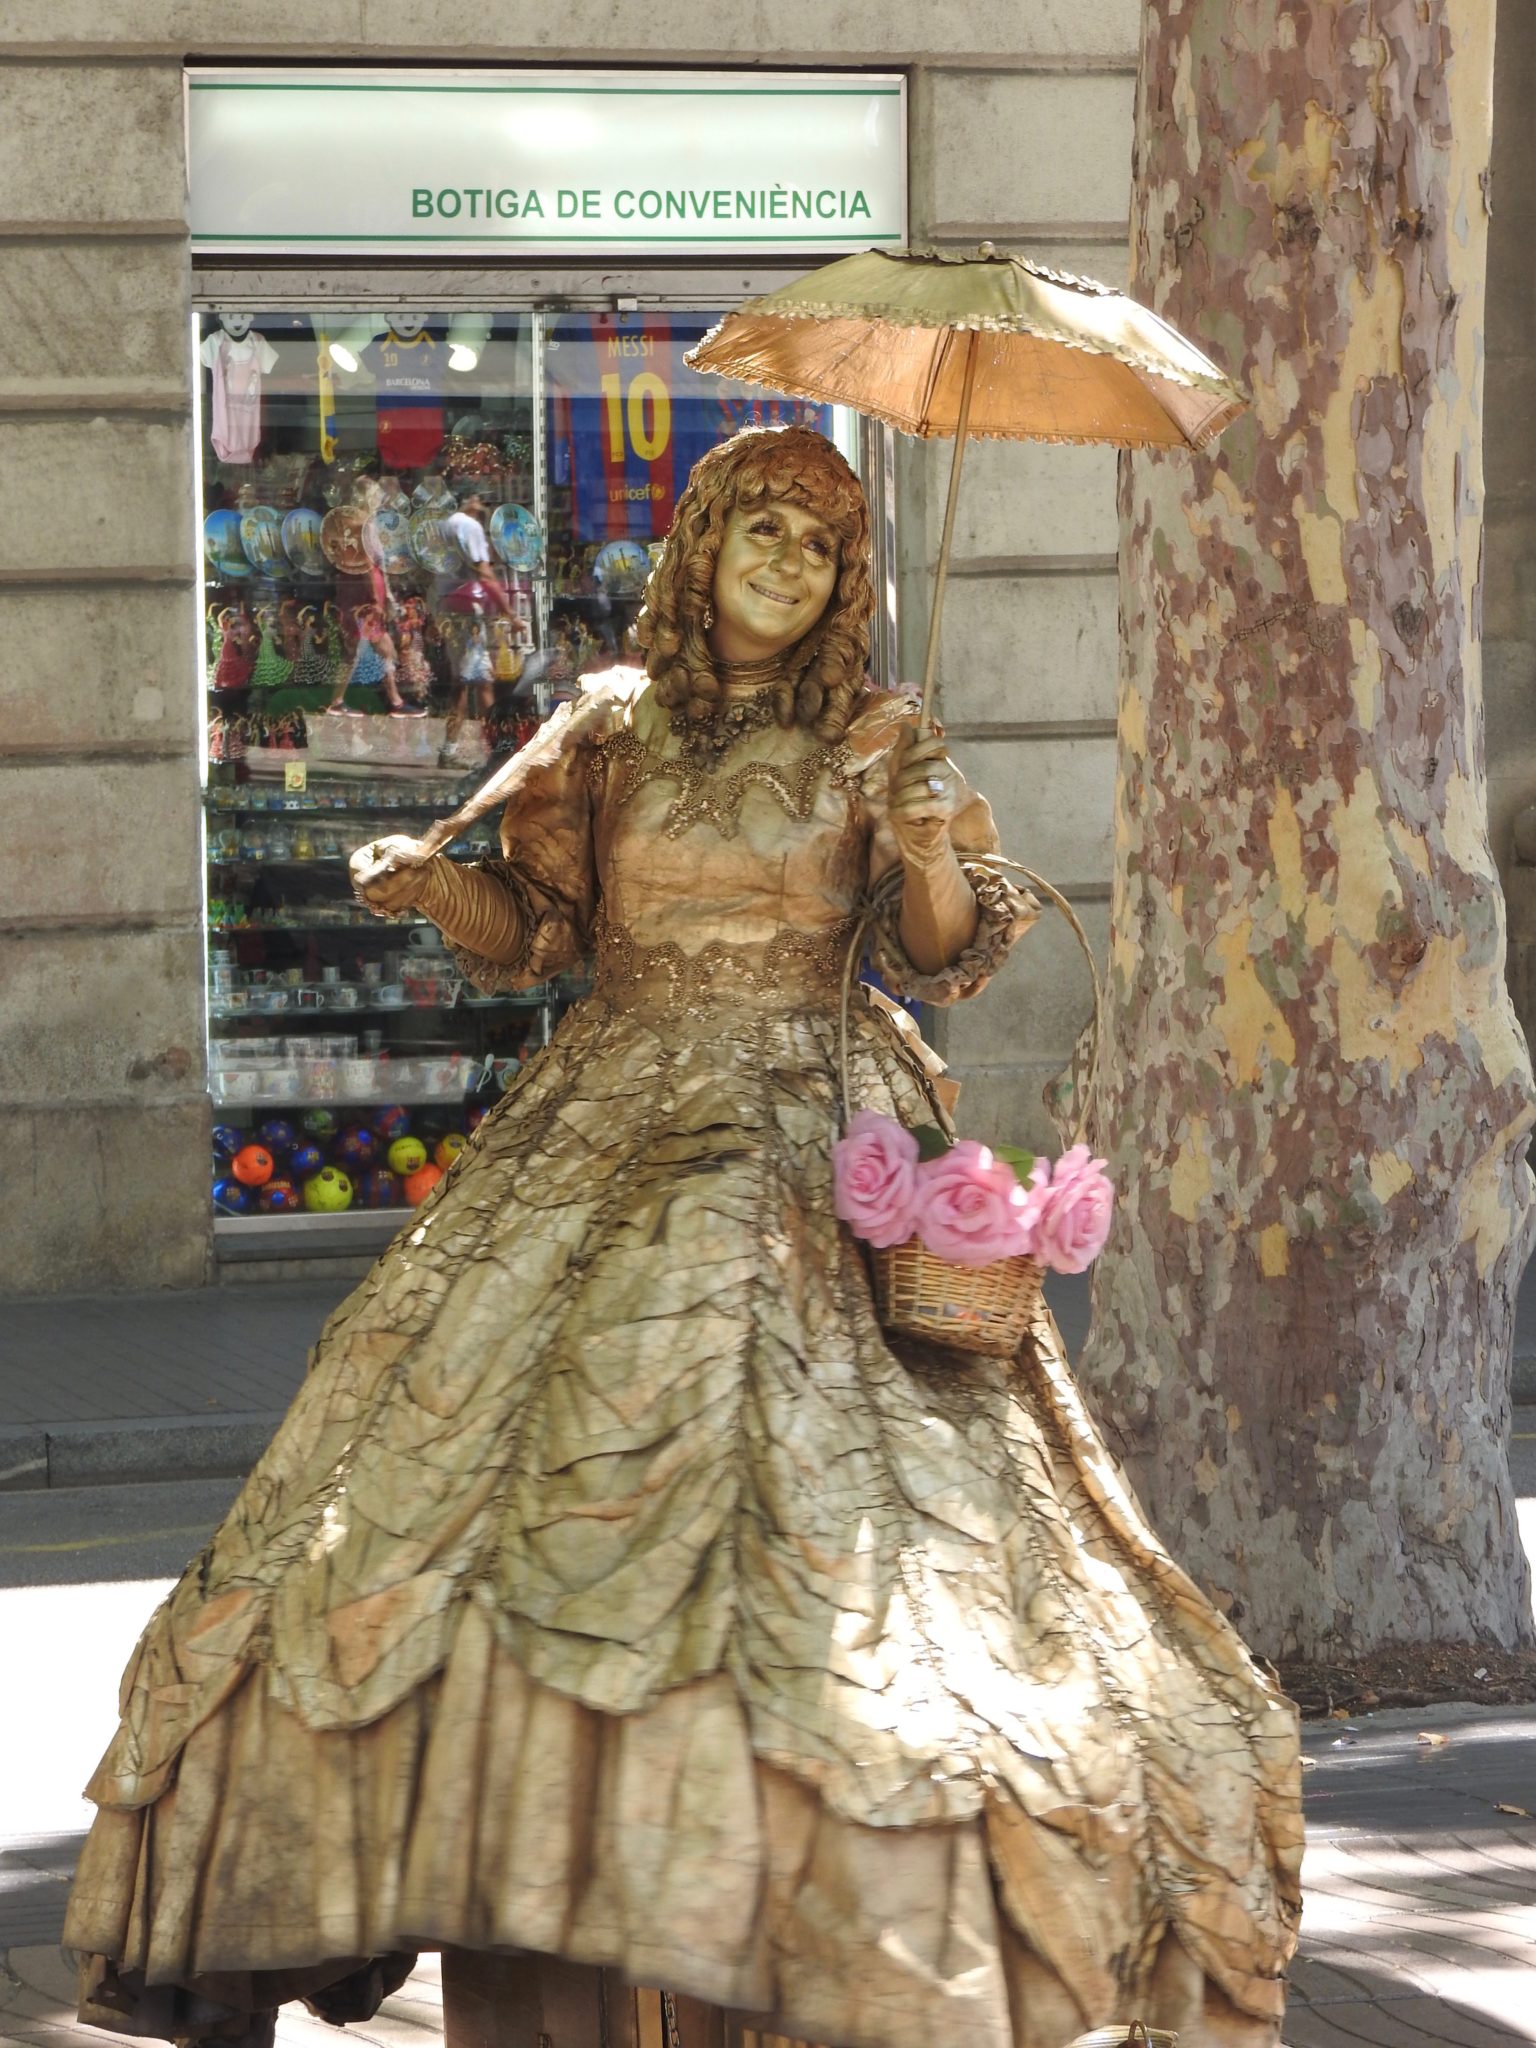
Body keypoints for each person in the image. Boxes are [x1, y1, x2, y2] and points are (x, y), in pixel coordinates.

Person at [64, 427, 1301, 2048]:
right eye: (758, 528)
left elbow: (942, 956)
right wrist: (431, 895)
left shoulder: (881, 731)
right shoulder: (606, 723)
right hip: (604, 1114)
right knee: (433, 1493)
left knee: (823, 1520)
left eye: (817, 540)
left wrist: (927, 842)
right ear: (700, 545)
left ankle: (788, 1923)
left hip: (807, 1119)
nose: (784, 559)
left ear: (847, 578)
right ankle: (542, 1884)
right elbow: (543, 928)